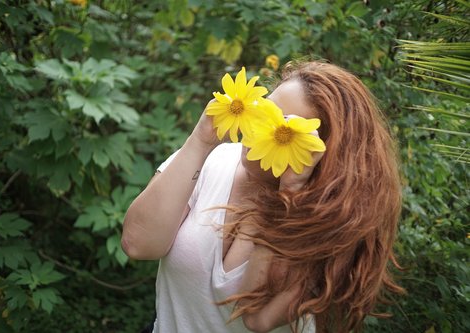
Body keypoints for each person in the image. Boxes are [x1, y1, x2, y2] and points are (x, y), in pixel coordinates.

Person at [121, 60, 404, 333]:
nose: (256, 132)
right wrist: (200, 139)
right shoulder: (212, 159)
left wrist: (290, 195)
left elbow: (256, 318)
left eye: (284, 128)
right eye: (263, 114)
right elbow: (138, 244)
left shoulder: (330, 218)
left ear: (321, 152)